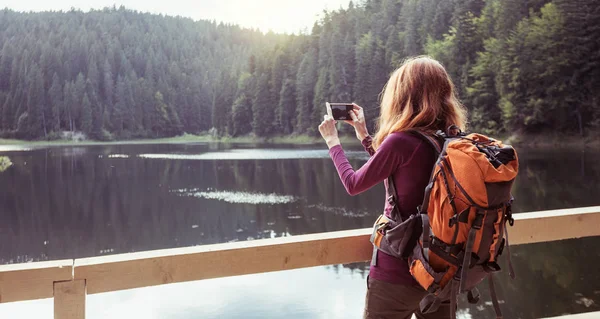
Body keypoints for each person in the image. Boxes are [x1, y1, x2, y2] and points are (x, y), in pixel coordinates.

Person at [318, 56, 468, 319]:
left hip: (398, 271)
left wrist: (333, 143)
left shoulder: (401, 141)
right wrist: (364, 135)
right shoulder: (453, 141)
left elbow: (353, 184)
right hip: (442, 268)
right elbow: (400, 171)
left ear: (403, 95)